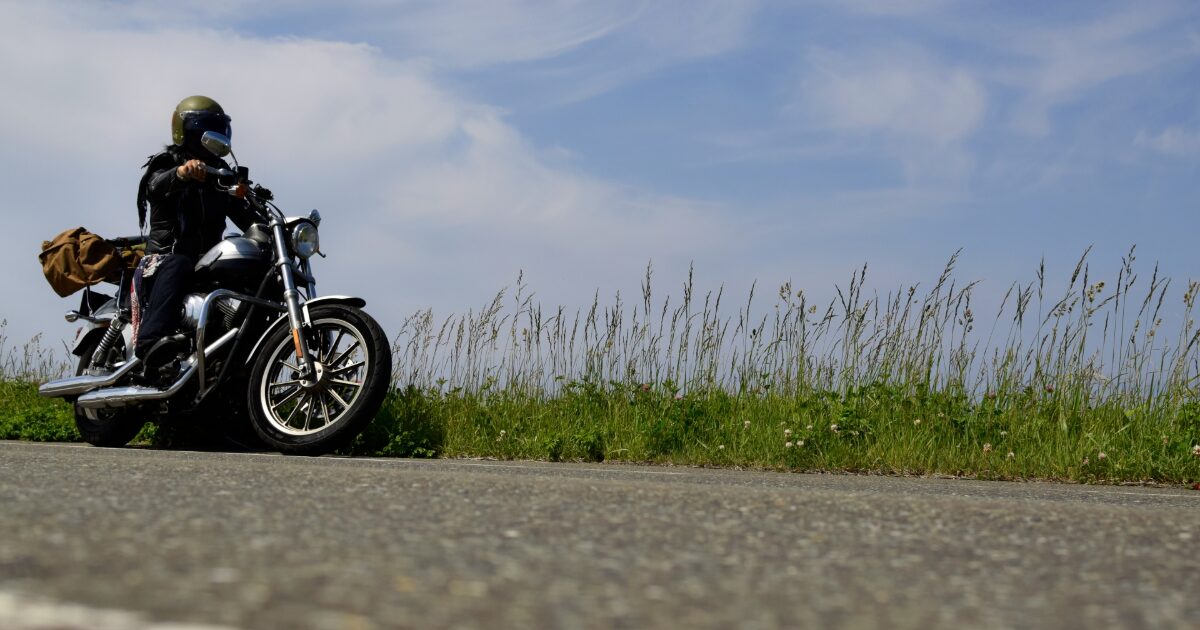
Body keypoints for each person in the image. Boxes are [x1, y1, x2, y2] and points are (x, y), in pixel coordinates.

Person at [134, 95, 256, 372]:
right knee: (180, 263)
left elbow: (246, 218)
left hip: (206, 262)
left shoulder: (221, 175)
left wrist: (269, 225)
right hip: (165, 259)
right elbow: (154, 187)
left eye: (216, 127)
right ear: (185, 131)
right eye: (203, 126)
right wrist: (181, 173)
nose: (212, 134)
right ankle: (149, 344)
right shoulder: (167, 162)